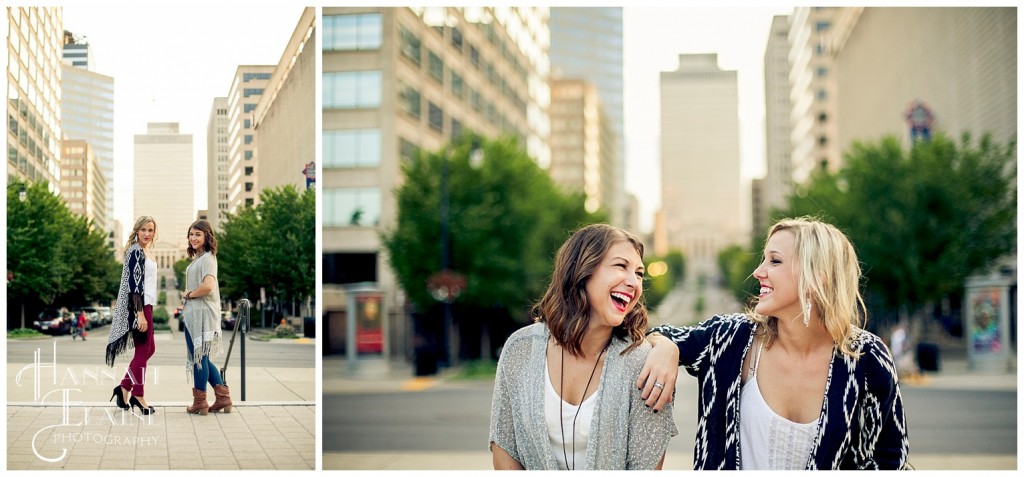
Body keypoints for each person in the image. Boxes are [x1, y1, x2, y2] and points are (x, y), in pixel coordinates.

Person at [637, 217, 909, 470]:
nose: (758, 272)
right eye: (763, 260)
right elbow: (652, 333)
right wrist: (665, 347)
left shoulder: (867, 356)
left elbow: (889, 461)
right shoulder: (730, 337)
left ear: (817, 275)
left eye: (774, 261)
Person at [489, 223, 677, 470]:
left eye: (640, 274)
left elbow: (647, 466)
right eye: (621, 266)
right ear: (582, 270)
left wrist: (667, 346)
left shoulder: (644, 366)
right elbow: (505, 446)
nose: (634, 283)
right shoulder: (520, 349)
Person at [105, 215, 158, 415]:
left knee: (148, 349)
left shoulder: (146, 251)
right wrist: (140, 314)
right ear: (136, 231)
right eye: (143, 229)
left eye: (150, 230)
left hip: (147, 305)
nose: (147, 233)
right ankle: (138, 394)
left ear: (154, 233)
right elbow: (134, 286)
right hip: (139, 307)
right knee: (143, 351)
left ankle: (124, 387)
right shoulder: (136, 251)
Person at [181, 220, 232, 415]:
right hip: (195, 314)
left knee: (199, 358)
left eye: (197, 234)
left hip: (202, 313)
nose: (193, 238)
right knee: (200, 356)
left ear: (206, 237)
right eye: (191, 234)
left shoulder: (208, 258)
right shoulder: (200, 258)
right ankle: (223, 398)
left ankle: (200, 402)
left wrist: (189, 294)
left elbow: (209, 285)